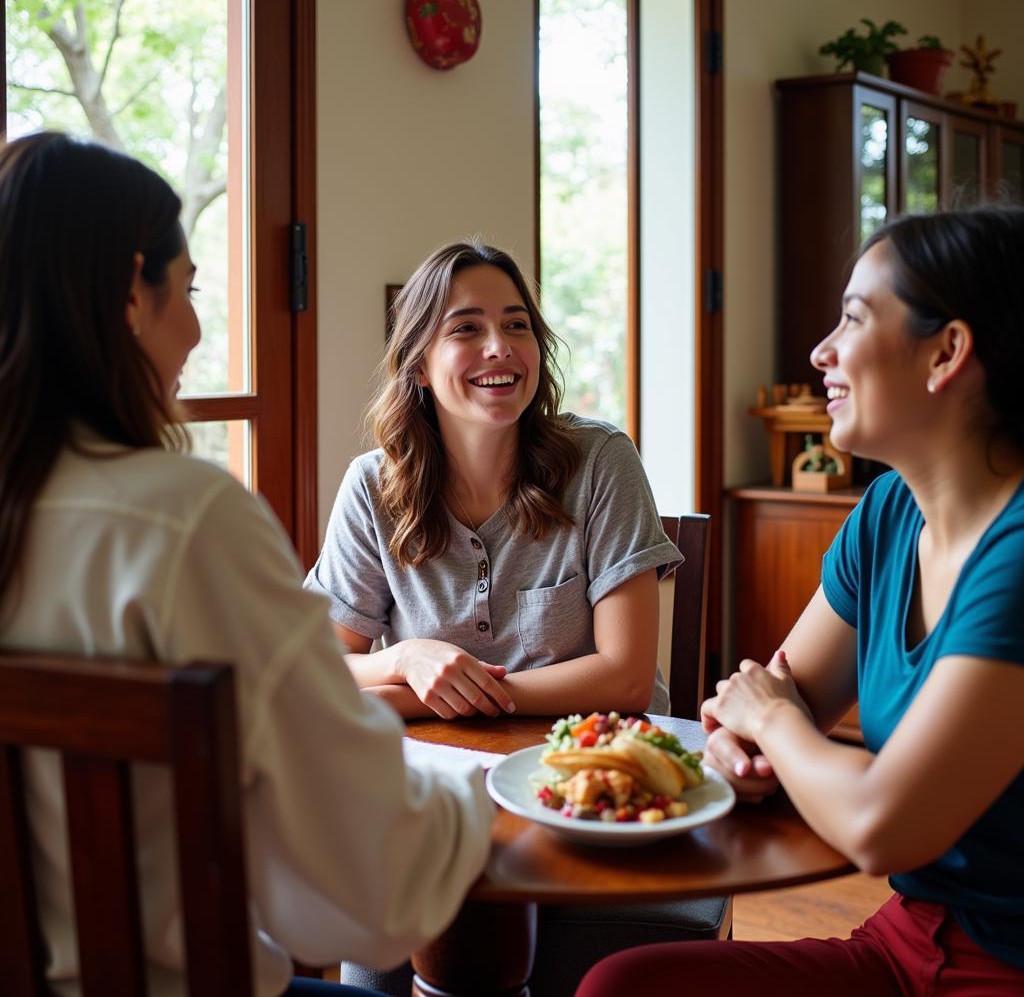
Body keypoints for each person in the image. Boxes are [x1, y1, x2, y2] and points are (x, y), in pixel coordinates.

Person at [0, 131, 495, 997]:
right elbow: (372, 894)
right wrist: (476, 805)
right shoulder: (185, 524)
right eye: (186, 291)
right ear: (130, 294)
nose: (194, 329)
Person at [576, 206, 1024, 996]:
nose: (821, 352)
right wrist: (746, 745)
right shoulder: (887, 513)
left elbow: (879, 823)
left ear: (947, 352)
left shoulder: (1017, 556)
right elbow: (770, 702)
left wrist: (773, 723)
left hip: (1005, 966)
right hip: (906, 940)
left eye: (852, 319)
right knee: (624, 985)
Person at [305, 239, 681, 720]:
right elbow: (316, 660)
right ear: (419, 365)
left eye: (516, 325)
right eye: (466, 328)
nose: (500, 347)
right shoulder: (372, 486)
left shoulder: (602, 460)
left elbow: (626, 679)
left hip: (595, 764)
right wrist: (403, 658)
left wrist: (416, 699)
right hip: (440, 767)